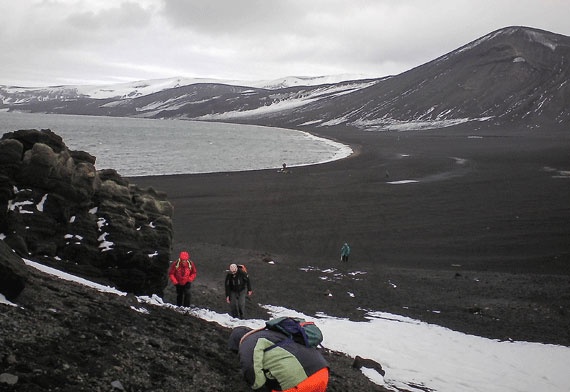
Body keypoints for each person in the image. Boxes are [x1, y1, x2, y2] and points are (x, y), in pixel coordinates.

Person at [228, 326, 329, 391]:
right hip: (322, 374)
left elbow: (250, 367)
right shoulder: (271, 334)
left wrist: (259, 388)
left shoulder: (248, 342)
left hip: (302, 382)